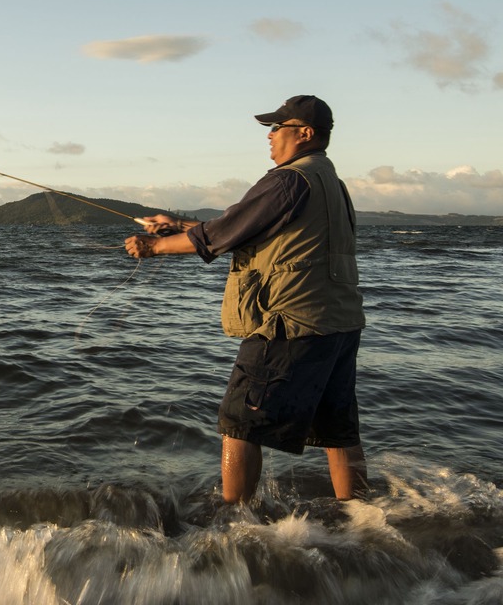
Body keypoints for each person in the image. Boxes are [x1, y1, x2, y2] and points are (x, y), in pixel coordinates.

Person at [124, 95, 367, 504]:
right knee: (336, 430)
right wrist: (178, 225)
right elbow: (244, 226)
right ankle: (362, 520)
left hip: (290, 322)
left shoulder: (289, 179)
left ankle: (234, 524)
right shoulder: (331, 182)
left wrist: (155, 247)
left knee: (238, 422)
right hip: (339, 324)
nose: (270, 135)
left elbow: (223, 235)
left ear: (305, 133)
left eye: (277, 127)